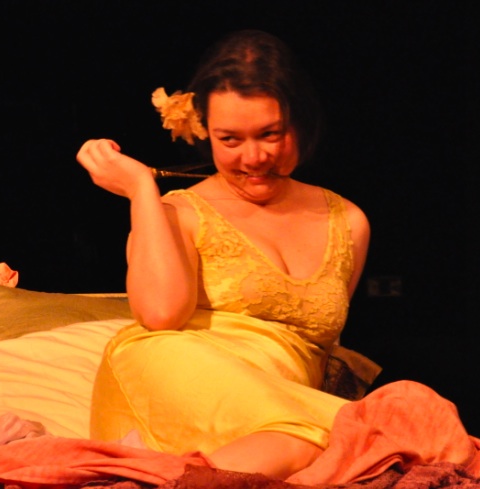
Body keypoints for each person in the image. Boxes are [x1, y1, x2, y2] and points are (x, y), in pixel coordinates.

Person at [76, 29, 371, 480]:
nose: (253, 157)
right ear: (205, 134)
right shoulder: (178, 212)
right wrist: (141, 192)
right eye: (230, 140)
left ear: (300, 123)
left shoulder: (348, 220)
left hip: (271, 401)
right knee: (324, 436)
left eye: (270, 134)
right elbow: (160, 316)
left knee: (391, 419)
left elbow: (323, 348)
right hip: (173, 370)